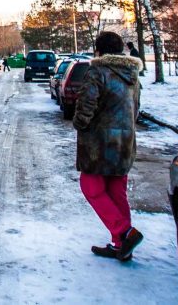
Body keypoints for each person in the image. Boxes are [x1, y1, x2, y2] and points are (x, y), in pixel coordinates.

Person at [74, 31, 144, 261]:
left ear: (99, 50)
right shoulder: (132, 74)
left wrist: (80, 123)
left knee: (90, 186)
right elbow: (136, 107)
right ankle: (121, 246)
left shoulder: (98, 72)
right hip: (124, 142)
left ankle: (124, 232)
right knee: (117, 191)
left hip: (99, 143)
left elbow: (87, 105)